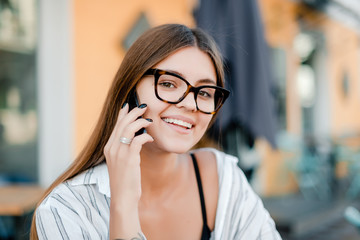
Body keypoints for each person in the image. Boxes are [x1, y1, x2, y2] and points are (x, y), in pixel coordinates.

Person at [30, 24, 281, 240]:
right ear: (130, 91)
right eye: (169, 83)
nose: (190, 104)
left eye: (204, 92)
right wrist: (124, 206)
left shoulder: (225, 179)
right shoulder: (66, 209)